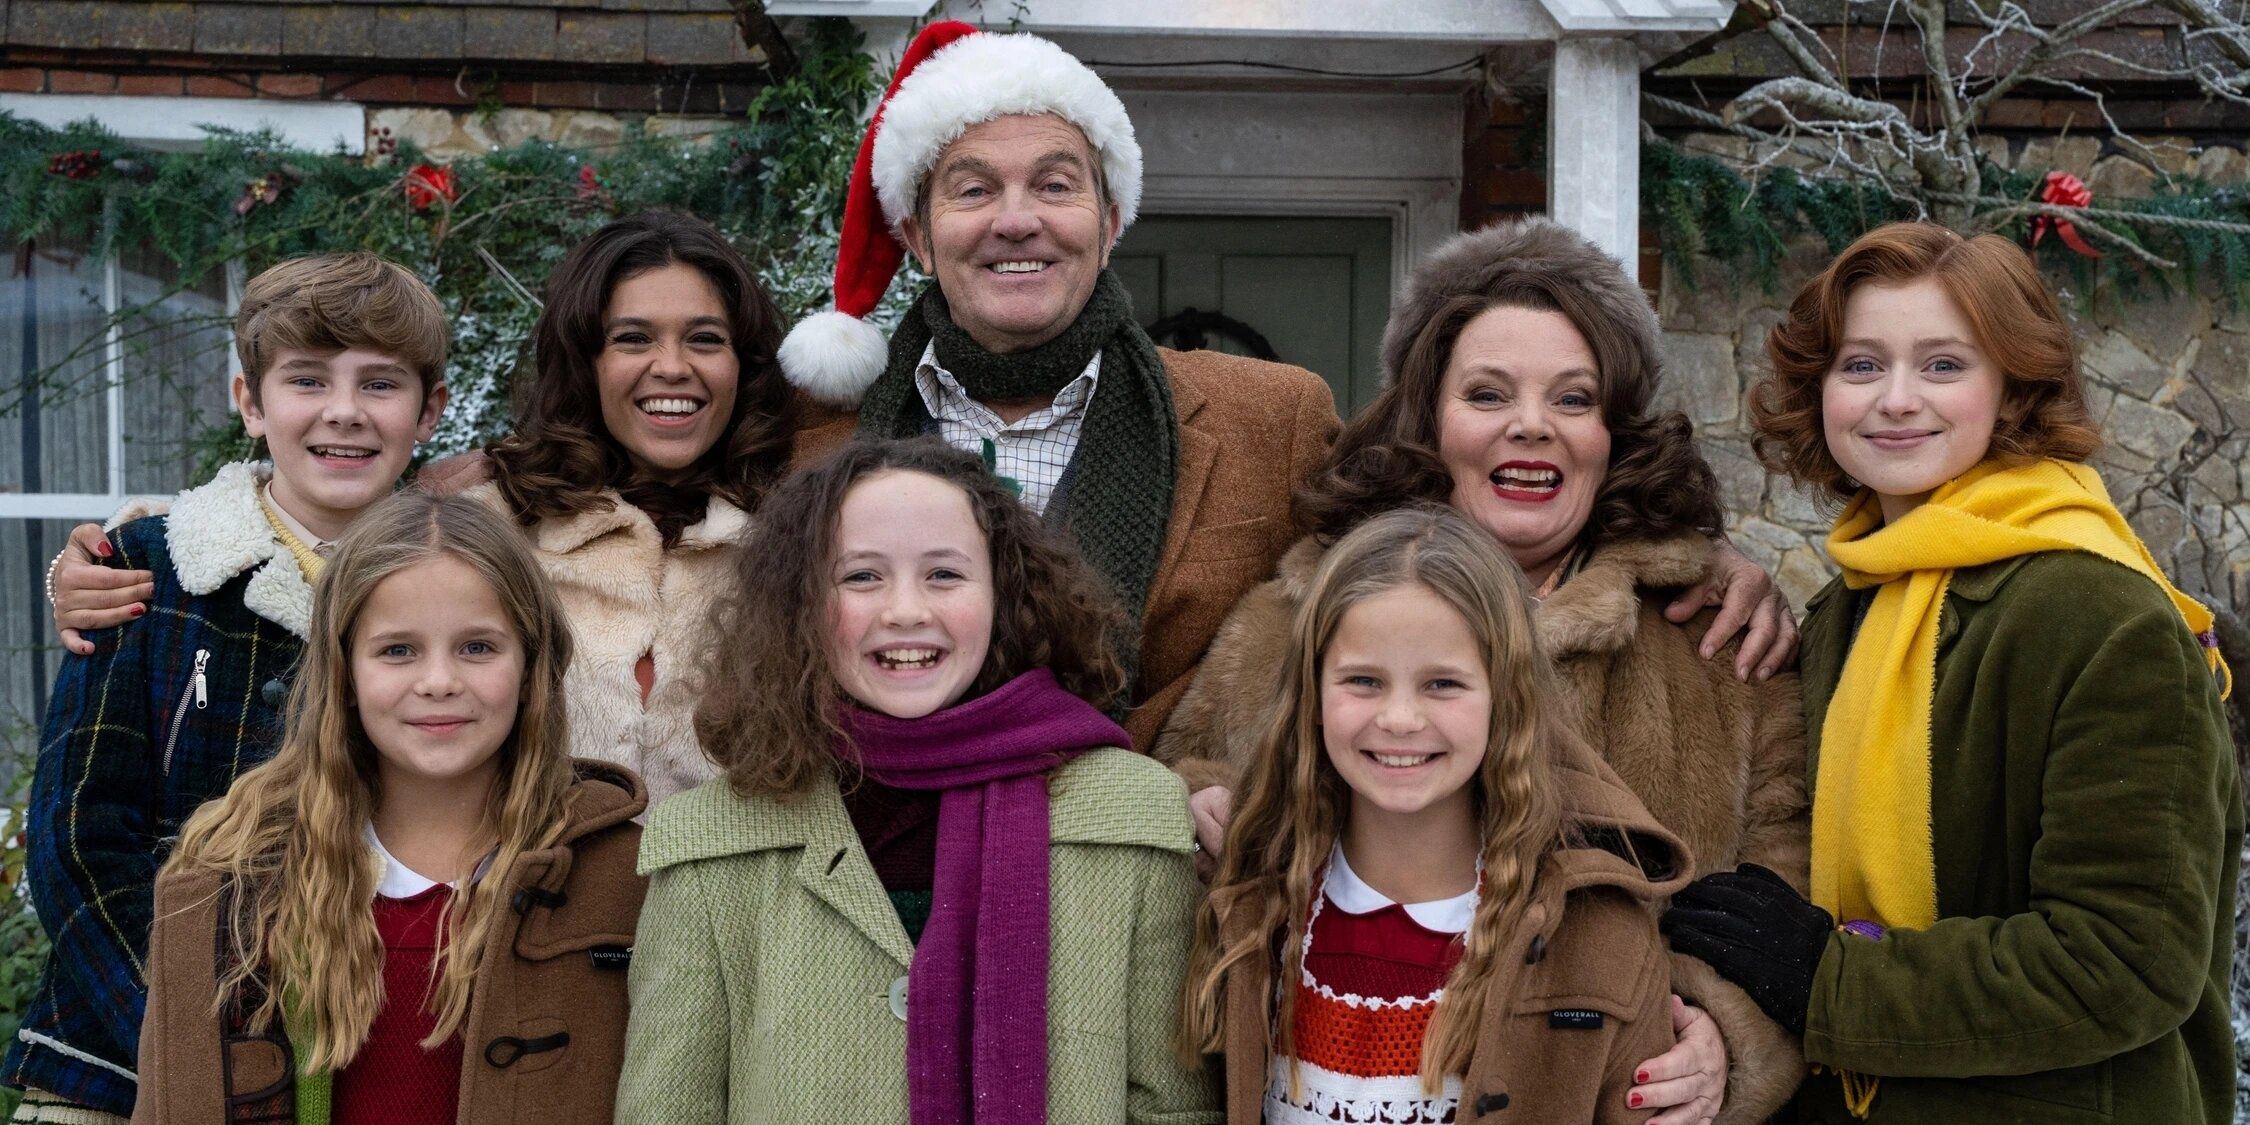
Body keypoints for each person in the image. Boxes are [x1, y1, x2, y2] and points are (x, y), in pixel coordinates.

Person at [767, 21, 1794, 758]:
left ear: (1111, 216)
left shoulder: (1273, 419)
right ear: (914, 230)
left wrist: (1684, 559)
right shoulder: (808, 442)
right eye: (973, 188)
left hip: (1148, 917)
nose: (1017, 218)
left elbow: (1454, 499)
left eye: (1055, 183)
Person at [1160, 218, 1809, 1125]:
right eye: (1488, 392)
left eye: (1573, 398)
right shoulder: (1300, 610)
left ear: (1616, 431)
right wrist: (1194, 804)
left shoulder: (1717, 640)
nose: (1530, 425)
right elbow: (1185, 776)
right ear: (1429, 415)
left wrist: (1720, 1029)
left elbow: (1786, 877)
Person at [1662, 222, 2239, 1124]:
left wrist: (1827, 979)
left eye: (1943, 365)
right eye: (1860, 365)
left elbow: (2127, 961)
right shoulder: (1851, 604)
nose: (1895, 400)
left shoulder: (2103, 617)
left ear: (2012, 386)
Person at [43, 211, 798, 807]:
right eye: (632, 337)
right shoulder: (489, 517)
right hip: (531, 946)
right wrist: (99, 562)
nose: (672, 365)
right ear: (584, 357)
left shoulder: (801, 537)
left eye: (705, 338)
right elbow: (297, 528)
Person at [617, 438, 1215, 1122]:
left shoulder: (1134, 811)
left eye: (944, 575)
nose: (905, 609)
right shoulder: (706, 843)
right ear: (801, 603)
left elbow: (1174, 1106)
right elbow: (666, 1109)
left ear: (1004, 591)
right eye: (862, 577)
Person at [4, 253, 451, 1124]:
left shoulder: (457, 590)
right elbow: (78, 838)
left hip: (364, 1049)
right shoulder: (146, 570)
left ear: (429, 410)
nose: (344, 411)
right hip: (121, 1062)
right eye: (308, 379)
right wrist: (196, 1041)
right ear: (249, 401)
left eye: (381, 384)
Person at [130, 492, 648, 1125]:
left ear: (532, 664)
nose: (438, 681)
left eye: (478, 648)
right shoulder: (232, 879)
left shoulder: (624, 878)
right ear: (342, 672)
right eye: (397, 650)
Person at [1180, 506, 1687, 1124]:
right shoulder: (1249, 901)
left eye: (1442, 684)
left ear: (1507, 699)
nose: (1399, 719)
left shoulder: (1600, 937)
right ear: (1311, 695)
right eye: (1363, 680)